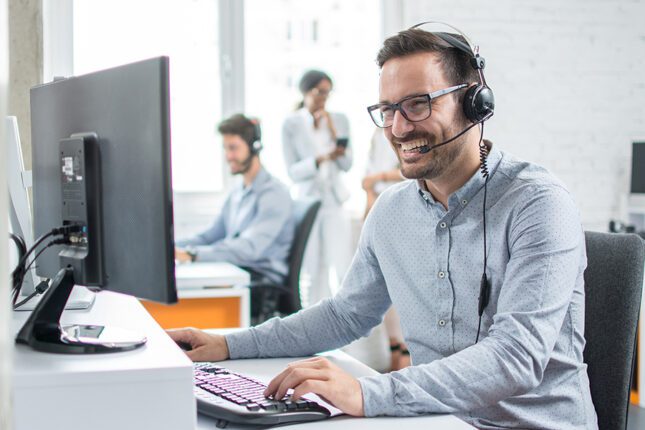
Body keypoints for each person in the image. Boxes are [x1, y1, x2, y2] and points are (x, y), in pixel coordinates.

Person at [169, 25, 597, 429]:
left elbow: (516, 357)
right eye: (388, 109)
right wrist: (228, 345)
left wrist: (367, 391)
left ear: (474, 102)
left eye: (417, 104)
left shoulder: (537, 204)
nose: (397, 127)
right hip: (431, 420)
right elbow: (344, 314)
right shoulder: (392, 211)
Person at [175, 113, 294, 288]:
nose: (228, 156)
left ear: (255, 147)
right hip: (238, 271)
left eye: (233, 148)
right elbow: (210, 236)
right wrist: (172, 248)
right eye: (225, 148)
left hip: (261, 281)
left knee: (190, 292)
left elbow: (249, 248)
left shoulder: (274, 194)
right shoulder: (238, 192)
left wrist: (192, 255)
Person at [280, 70, 353, 307]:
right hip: (308, 201)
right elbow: (293, 172)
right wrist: (321, 158)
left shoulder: (339, 119)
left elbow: (346, 163)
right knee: (311, 269)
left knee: (342, 266)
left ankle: (344, 325)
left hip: (334, 201)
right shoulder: (291, 124)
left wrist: (333, 132)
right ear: (306, 91)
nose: (325, 97)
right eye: (320, 92)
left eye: (328, 92)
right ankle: (312, 326)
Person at [362, 128, 408, 371]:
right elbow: (367, 178)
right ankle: (395, 350)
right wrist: (369, 200)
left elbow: (409, 172)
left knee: (402, 287)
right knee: (386, 289)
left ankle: (406, 352)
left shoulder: (405, 133)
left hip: (401, 210)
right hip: (380, 210)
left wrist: (378, 177)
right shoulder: (375, 137)